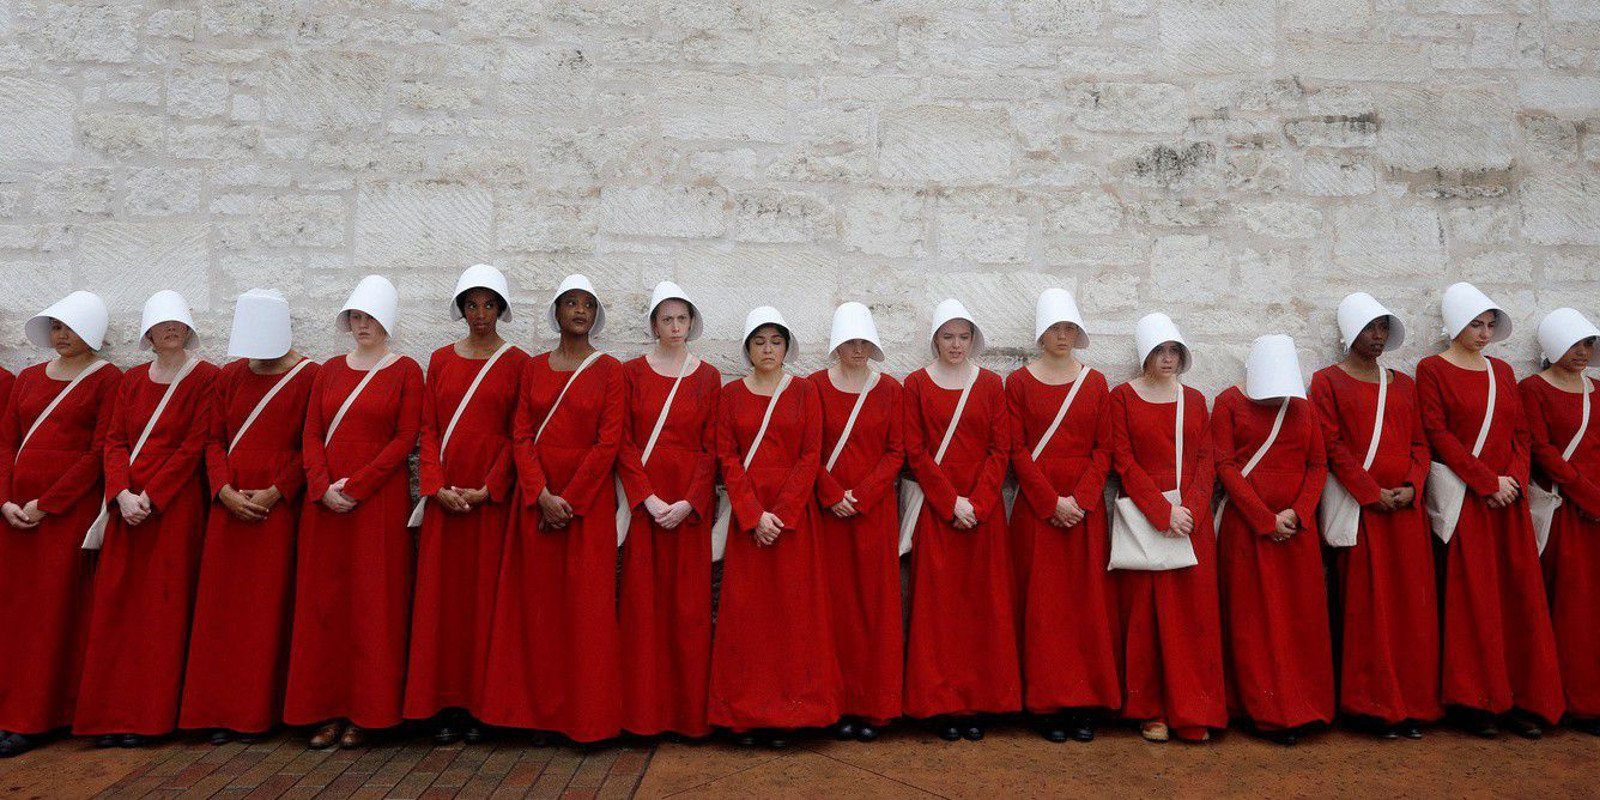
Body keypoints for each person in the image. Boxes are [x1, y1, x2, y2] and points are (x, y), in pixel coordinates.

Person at [479, 274, 624, 744]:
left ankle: (581, 717)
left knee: (584, 612)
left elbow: (609, 442)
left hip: (587, 505)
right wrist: (540, 493)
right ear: (557, 313)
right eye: (570, 304)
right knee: (536, 612)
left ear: (594, 315)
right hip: (535, 503)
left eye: (587, 305)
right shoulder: (533, 368)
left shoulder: (610, 371)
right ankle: (535, 715)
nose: (579, 311)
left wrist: (570, 501)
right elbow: (520, 434)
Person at [1416, 282, 1563, 738]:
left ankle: (1522, 697)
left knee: (1518, 599)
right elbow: (1439, 434)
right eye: (1475, 324)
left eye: (1489, 325)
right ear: (1455, 324)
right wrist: (1485, 482)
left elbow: (1520, 433)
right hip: (1470, 502)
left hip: (1507, 502)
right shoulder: (1431, 369)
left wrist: (1512, 481)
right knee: (1474, 599)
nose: (1483, 333)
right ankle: (1479, 700)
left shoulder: (1501, 372)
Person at [73, 291, 218, 747]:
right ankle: (109, 714)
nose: (171, 330)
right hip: (127, 507)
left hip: (172, 509)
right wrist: (120, 493)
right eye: (162, 325)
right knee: (117, 609)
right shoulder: (132, 380)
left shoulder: (207, 378)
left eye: (178, 323)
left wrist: (151, 496)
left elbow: (196, 443)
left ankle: (151, 716)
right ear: (149, 334)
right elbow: (114, 440)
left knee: (162, 609)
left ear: (188, 329)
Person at [285, 275, 423, 749]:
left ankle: (369, 711)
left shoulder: (406, 371)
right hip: (325, 506)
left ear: (387, 322)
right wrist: (322, 486)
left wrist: (359, 485)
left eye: (371, 318)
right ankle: (326, 709)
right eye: (357, 318)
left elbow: (406, 438)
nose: (363, 326)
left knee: (371, 606)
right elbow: (311, 433)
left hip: (377, 504)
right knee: (325, 608)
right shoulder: (327, 370)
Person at [180, 289, 318, 744]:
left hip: (274, 505)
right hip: (231, 502)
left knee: (266, 607)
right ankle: (216, 707)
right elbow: (212, 439)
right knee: (222, 610)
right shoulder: (231, 376)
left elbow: (311, 445)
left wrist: (280, 490)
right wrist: (221, 489)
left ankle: (256, 711)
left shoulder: (309, 376)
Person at [404, 265, 528, 745]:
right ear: (461, 310)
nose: (480, 314)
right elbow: (429, 428)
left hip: (488, 502)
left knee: (483, 604)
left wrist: (490, 487)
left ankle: (481, 705)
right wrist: (434, 484)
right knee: (442, 603)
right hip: (445, 497)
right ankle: (440, 703)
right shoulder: (439, 360)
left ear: (501, 309)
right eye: (472, 305)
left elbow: (518, 432)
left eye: (489, 305)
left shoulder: (518, 362)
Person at [1309, 293, 1440, 739]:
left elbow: (1421, 445)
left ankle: (1410, 705)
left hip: (1405, 515)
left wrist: (1411, 487)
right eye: (1370, 328)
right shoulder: (1326, 382)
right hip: (1363, 514)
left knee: (1410, 610)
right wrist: (1370, 492)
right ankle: (1371, 707)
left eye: (1384, 328)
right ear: (1351, 333)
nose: (1379, 336)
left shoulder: (1403, 385)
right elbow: (1330, 444)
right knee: (1367, 608)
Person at [709, 306, 840, 748]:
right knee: (748, 618)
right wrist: (752, 514)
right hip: (751, 520)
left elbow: (810, 454)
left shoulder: (804, 392)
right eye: (760, 342)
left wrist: (780, 515)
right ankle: (745, 714)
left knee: (793, 616)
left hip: (793, 519)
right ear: (748, 348)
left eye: (776, 342)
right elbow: (726, 455)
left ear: (787, 348)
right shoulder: (730, 396)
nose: (768, 350)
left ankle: (792, 713)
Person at [0, 292, 121, 758]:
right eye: (55, 328)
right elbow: (7, 443)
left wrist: (48, 504)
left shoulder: (107, 380)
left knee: (52, 614)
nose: (61, 337)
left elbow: (98, 452)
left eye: (69, 328)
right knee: (15, 615)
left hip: (64, 514)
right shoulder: (29, 378)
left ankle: (39, 716)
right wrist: (7, 499)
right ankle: (10, 708)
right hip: (15, 514)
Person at [902, 299, 1018, 742]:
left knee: (981, 609)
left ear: (973, 340)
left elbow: (999, 448)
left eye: (963, 336)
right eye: (948, 336)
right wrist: (952, 502)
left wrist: (980, 502)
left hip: (982, 515)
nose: (956, 344)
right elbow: (915, 451)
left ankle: (976, 702)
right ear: (935, 339)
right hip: (940, 512)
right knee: (940, 611)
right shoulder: (916, 384)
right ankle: (942, 703)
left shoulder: (990, 385)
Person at [1007, 288, 1118, 744]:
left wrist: (1083, 498)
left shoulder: (1095, 383)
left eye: (1070, 328)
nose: (1063, 336)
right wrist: (1051, 501)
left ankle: (1083, 699)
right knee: (1043, 607)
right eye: (1055, 328)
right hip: (1040, 508)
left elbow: (1104, 448)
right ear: (1041, 333)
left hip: (1083, 508)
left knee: (1084, 605)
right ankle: (1046, 702)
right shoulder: (1018, 382)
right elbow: (1015, 447)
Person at [1109, 312, 1224, 744]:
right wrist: (1162, 511)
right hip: (1148, 520)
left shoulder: (1194, 400)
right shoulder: (1122, 397)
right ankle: (1152, 710)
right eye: (1159, 350)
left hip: (1190, 524)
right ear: (1145, 355)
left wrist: (1189, 510)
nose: (1168, 358)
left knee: (1192, 620)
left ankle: (1194, 711)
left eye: (1174, 350)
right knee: (1148, 619)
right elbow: (1123, 459)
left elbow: (1204, 458)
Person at [1212, 334, 1332, 746]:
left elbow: (1317, 463)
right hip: (1247, 528)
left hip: (1295, 532)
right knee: (1253, 621)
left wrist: (1298, 512)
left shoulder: (1304, 407)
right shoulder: (1229, 402)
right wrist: (1264, 517)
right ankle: (1260, 708)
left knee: (1297, 621)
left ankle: (1302, 705)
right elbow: (1225, 464)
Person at [617, 281, 721, 741]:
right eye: (666, 319)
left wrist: (688, 502)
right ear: (654, 325)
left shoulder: (708, 376)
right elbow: (623, 441)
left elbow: (711, 447)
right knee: (643, 608)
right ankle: (643, 715)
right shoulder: (630, 373)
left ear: (691, 323)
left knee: (689, 609)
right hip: (648, 504)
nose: (675, 327)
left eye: (682, 319)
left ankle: (686, 716)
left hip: (689, 508)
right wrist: (648, 497)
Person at [810, 302, 904, 743]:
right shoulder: (813, 388)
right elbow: (807, 448)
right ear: (837, 345)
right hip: (827, 514)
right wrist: (832, 494)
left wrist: (862, 495)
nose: (858, 349)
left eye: (865, 341)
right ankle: (836, 704)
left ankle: (872, 706)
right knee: (832, 609)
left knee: (872, 607)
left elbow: (896, 451)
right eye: (850, 341)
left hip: (874, 512)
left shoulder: (890, 390)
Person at [1520, 307, 1600, 735]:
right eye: (1574, 344)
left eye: (1588, 343)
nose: (1583, 352)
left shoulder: (1597, 391)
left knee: (1591, 612)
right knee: (1561, 603)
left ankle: (1589, 701)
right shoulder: (1532, 389)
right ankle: (1552, 701)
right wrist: (1586, 494)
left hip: (1595, 514)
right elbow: (1542, 449)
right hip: (1560, 509)